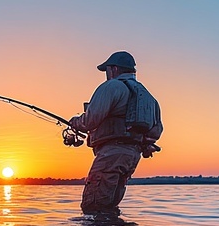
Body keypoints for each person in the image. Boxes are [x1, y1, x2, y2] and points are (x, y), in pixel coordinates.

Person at [68, 51, 163, 215]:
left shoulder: (111, 87)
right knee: (109, 207)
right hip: (132, 157)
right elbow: (156, 130)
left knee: (93, 207)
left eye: (107, 70)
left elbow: (91, 120)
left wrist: (75, 122)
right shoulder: (148, 97)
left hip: (111, 154)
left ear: (113, 69)